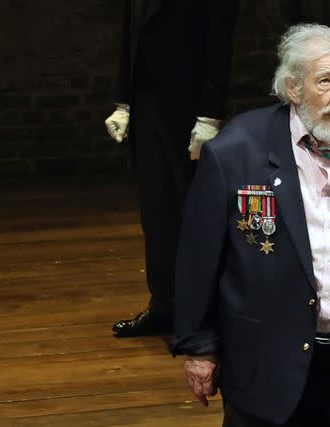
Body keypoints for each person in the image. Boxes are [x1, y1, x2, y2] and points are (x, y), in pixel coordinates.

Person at [171, 24, 330, 427]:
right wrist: (200, 349)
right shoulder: (234, 154)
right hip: (268, 364)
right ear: (293, 89)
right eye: (326, 81)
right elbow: (198, 260)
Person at [103, 1, 237, 337]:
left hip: (189, 105)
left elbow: (220, 40)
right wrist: (124, 101)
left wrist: (210, 115)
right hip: (147, 101)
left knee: (194, 211)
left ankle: (202, 313)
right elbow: (130, 31)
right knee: (156, 208)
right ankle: (163, 304)